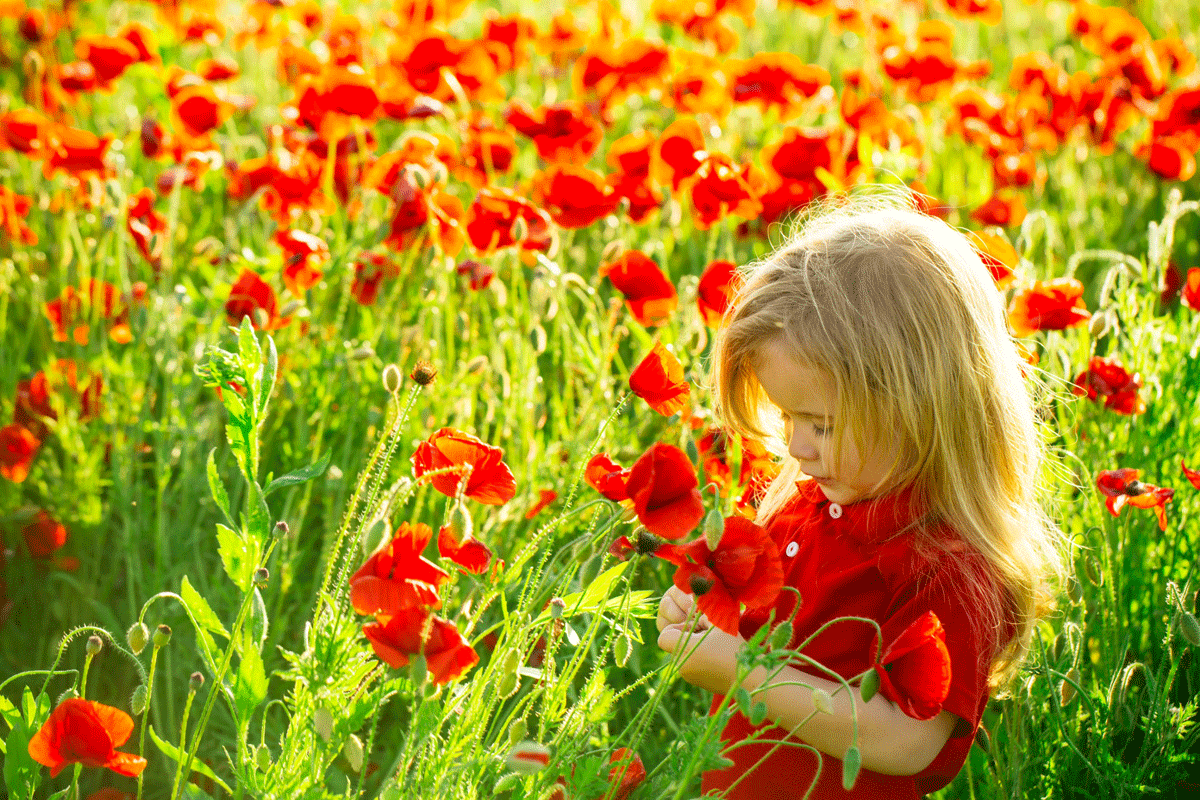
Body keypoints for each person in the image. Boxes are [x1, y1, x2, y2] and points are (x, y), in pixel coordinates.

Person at [656, 190, 1064, 799]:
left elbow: (906, 740)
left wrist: (741, 670)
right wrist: (706, 617)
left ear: (923, 405)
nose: (796, 447)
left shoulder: (947, 565)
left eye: (820, 424)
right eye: (787, 416)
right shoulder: (803, 506)